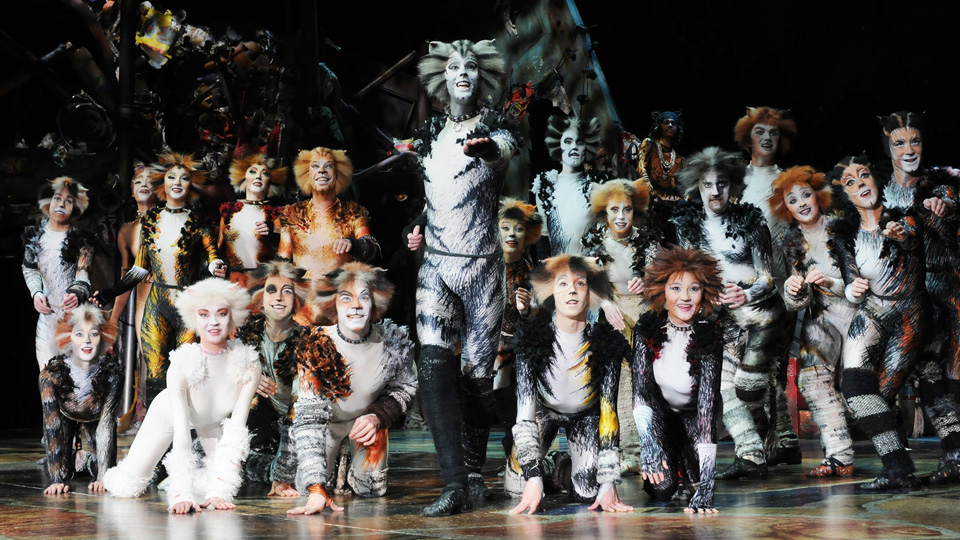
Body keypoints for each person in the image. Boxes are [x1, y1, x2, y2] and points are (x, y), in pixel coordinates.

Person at [406, 38, 519, 516]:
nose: (463, 73)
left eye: (471, 65)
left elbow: (503, 152)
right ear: (442, 77)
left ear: (481, 75)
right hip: (436, 264)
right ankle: (453, 482)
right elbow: (437, 193)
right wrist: (416, 225)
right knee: (433, 365)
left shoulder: (497, 127)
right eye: (454, 66)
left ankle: (473, 473)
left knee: (477, 376)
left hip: (482, 268)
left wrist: (488, 148)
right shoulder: (430, 133)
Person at [671, 147, 785, 479]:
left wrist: (746, 292)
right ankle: (751, 455)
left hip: (761, 315)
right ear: (697, 187)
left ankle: (770, 436)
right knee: (724, 388)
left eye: (721, 183)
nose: (715, 191)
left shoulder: (751, 221)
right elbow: (689, 277)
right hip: (721, 320)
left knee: (748, 388)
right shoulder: (688, 227)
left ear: (731, 184)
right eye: (707, 184)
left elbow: (768, 278)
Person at [102, 278, 259, 513]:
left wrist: (219, 492)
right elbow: (182, 434)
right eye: (204, 315)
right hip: (169, 417)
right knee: (125, 486)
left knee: (221, 485)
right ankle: (94, 465)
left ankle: (193, 483)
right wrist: (181, 493)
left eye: (222, 314)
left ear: (233, 314)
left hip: (211, 422)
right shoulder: (183, 363)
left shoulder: (248, 363)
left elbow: (236, 429)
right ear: (193, 317)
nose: (213, 322)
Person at [92, 153, 226, 408]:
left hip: (189, 307)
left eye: (184, 178)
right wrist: (110, 292)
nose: (177, 182)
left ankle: (189, 429)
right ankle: (160, 428)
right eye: (171, 177)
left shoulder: (199, 223)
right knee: (155, 374)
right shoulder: (150, 221)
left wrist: (216, 266)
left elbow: (213, 255)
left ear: (191, 184)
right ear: (162, 183)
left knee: (188, 373)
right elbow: (139, 269)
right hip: (157, 305)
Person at [826, 154, 926, 490]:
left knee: (881, 393)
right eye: (850, 182)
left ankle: (899, 469)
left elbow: (913, 239)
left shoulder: (902, 216)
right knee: (855, 388)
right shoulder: (845, 234)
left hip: (909, 313)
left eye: (864, 175)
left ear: (876, 178)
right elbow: (851, 281)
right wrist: (852, 289)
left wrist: (901, 235)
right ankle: (898, 469)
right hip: (871, 311)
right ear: (845, 195)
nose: (860, 184)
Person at [288, 262, 416, 515]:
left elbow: (406, 386)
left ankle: (351, 462)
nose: (356, 305)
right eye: (346, 298)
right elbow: (308, 416)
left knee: (372, 490)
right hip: (325, 424)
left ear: (375, 302)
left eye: (364, 297)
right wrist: (315, 486)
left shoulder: (392, 341)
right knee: (308, 486)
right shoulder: (315, 343)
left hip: (365, 422)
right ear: (333, 304)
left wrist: (378, 415)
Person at [509, 255, 632, 515]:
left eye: (580, 283)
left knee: (587, 492)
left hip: (585, 417)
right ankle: (545, 466)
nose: (572, 290)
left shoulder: (606, 343)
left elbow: (609, 414)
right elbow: (525, 413)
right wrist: (533, 476)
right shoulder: (531, 340)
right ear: (551, 292)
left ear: (591, 293)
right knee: (517, 488)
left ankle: (561, 468)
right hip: (543, 413)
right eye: (563, 283)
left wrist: (608, 481)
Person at [876, 112, 960, 485]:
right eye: (900, 142)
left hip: (942, 292)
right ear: (888, 146)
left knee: (942, 375)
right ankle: (940, 456)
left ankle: (945, 456)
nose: (909, 150)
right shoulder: (877, 189)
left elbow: (949, 210)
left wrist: (943, 210)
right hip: (897, 297)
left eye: (915, 141)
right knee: (907, 378)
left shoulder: (938, 184)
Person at [768, 166, 856, 476]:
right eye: (792, 200)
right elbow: (797, 303)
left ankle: (893, 453)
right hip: (822, 319)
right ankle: (839, 455)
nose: (802, 203)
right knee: (811, 379)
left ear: (817, 195)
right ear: (786, 209)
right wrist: (794, 291)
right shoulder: (789, 243)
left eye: (805, 195)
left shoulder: (843, 228)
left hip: (859, 313)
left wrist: (831, 282)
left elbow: (865, 281)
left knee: (859, 387)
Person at [734, 107, 802, 465]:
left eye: (773, 132)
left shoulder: (787, 181)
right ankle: (772, 436)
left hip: (782, 282)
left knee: (777, 364)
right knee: (750, 366)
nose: (767, 138)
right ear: (748, 137)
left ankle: (785, 439)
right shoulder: (735, 180)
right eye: (760, 131)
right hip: (745, 287)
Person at [633, 246, 724, 513]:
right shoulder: (647, 327)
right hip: (661, 413)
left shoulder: (709, 335)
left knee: (698, 483)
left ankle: (687, 462)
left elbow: (706, 409)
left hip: (695, 416)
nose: (685, 297)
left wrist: (707, 486)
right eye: (675, 288)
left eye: (694, 289)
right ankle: (671, 457)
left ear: (704, 292)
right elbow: (640, 391)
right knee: (661, 488)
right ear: (662, 290)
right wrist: (648, 443)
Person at [462, 198, 541, 500]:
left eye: (518, 228)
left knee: (513, 410)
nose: (511, 234)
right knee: (477, 409)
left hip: (514, 355)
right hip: (480, 349)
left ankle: (516, 462)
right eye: (505, 227)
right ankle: (471, 472)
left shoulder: (531, 273)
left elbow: (535, 321)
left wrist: (526, 311)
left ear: (527, 233)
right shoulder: (481, 267)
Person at [581, 178, 658, 473]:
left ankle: (652, 448)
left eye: (627, 209)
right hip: (614, 316)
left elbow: (665, 282)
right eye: (614, 209)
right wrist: (606, 304)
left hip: (645, 314)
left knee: (648, 382)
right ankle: (630, 452)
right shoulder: (596, 243)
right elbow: (587, 283)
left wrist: (649, 283)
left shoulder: (647, 242)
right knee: (623, 384)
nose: (621, 216)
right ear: (605, 211)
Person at [277, 147, 379, 324]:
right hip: (300, 314)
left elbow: (372, 248)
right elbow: (281, 263)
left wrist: (353, 244)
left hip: (341, 311)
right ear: (307, 174)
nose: (322, 171)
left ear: (338, 174)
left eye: (329, 166)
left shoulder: (353, 213)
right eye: (315, 166)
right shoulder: (292, 215)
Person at [235, 260, 310, 495]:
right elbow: (225, 378)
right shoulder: (247, 336)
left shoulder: (307, 341)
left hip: (301, 423)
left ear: (297, 298)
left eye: (287, 291)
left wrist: (282, 475)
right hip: (266, 420)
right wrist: (251, 378)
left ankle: (279, 470)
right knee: (236, 452)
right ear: (261, 297)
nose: (279, 297)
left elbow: (299, 410)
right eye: (271, 290)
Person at [39, 304, 121, 495]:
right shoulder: (51, 375)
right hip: (65, 417)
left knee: (102, 470)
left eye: (94, 334)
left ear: (103, 336)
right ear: (68, 337)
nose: (87, 341)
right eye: (79, 334)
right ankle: (74, 460)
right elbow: (52, 425)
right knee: (62, 471)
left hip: (95, 419)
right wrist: (57, 479)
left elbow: (107, 424)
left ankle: (84, 460)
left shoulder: (112, 374)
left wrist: (103, 476)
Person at [22, 176, 96, 368]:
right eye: (57, 198)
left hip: (76, 321)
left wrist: (77, 292)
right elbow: (29, 269)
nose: (61, 204)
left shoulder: (82, 241)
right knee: (47, 375)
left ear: (75, 207)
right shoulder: (35, 237)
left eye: (68, 201)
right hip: (47, 322)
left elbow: (83, 275)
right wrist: (36, 292)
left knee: (75, 378)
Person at [111, 162, 158, 423]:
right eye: (139, 181)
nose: (144, 185)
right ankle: (148, 418)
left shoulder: (169, 220)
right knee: (148, 358)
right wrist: (113, 318)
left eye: (150, 180)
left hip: (170, 295)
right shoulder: (127, 230)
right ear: (131, 191)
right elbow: (126, 278)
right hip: (143, 301)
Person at [531, 113, 606, 257]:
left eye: (580, 142)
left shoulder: (598, 184)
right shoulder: (545, 185)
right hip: (559, 266)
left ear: (587, 146)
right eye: (568, 141)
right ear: (558, 145)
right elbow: (544, 237)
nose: (574, 147)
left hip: (591, 265)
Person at [219, 154, 288, 288]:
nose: (258, 177)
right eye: (252, 172)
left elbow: (285, 254)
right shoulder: (229, 212)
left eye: (265, 174)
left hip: (263, 286)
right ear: (243, 178)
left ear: (271, 183)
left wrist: (273, 236)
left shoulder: (277, 216)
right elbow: (218, 250)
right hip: (232, 285)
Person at [637, 111, 685, 202]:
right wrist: (653, 194)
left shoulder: (680, 160)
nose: (670, 125)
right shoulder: (649, 144)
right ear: (659, 126)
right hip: (650, 200)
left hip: (672, 203)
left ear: (677, 129)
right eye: (666, 123)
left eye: (673, 123)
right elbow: (641, 169)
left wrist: (685, 199)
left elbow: (684, 187)